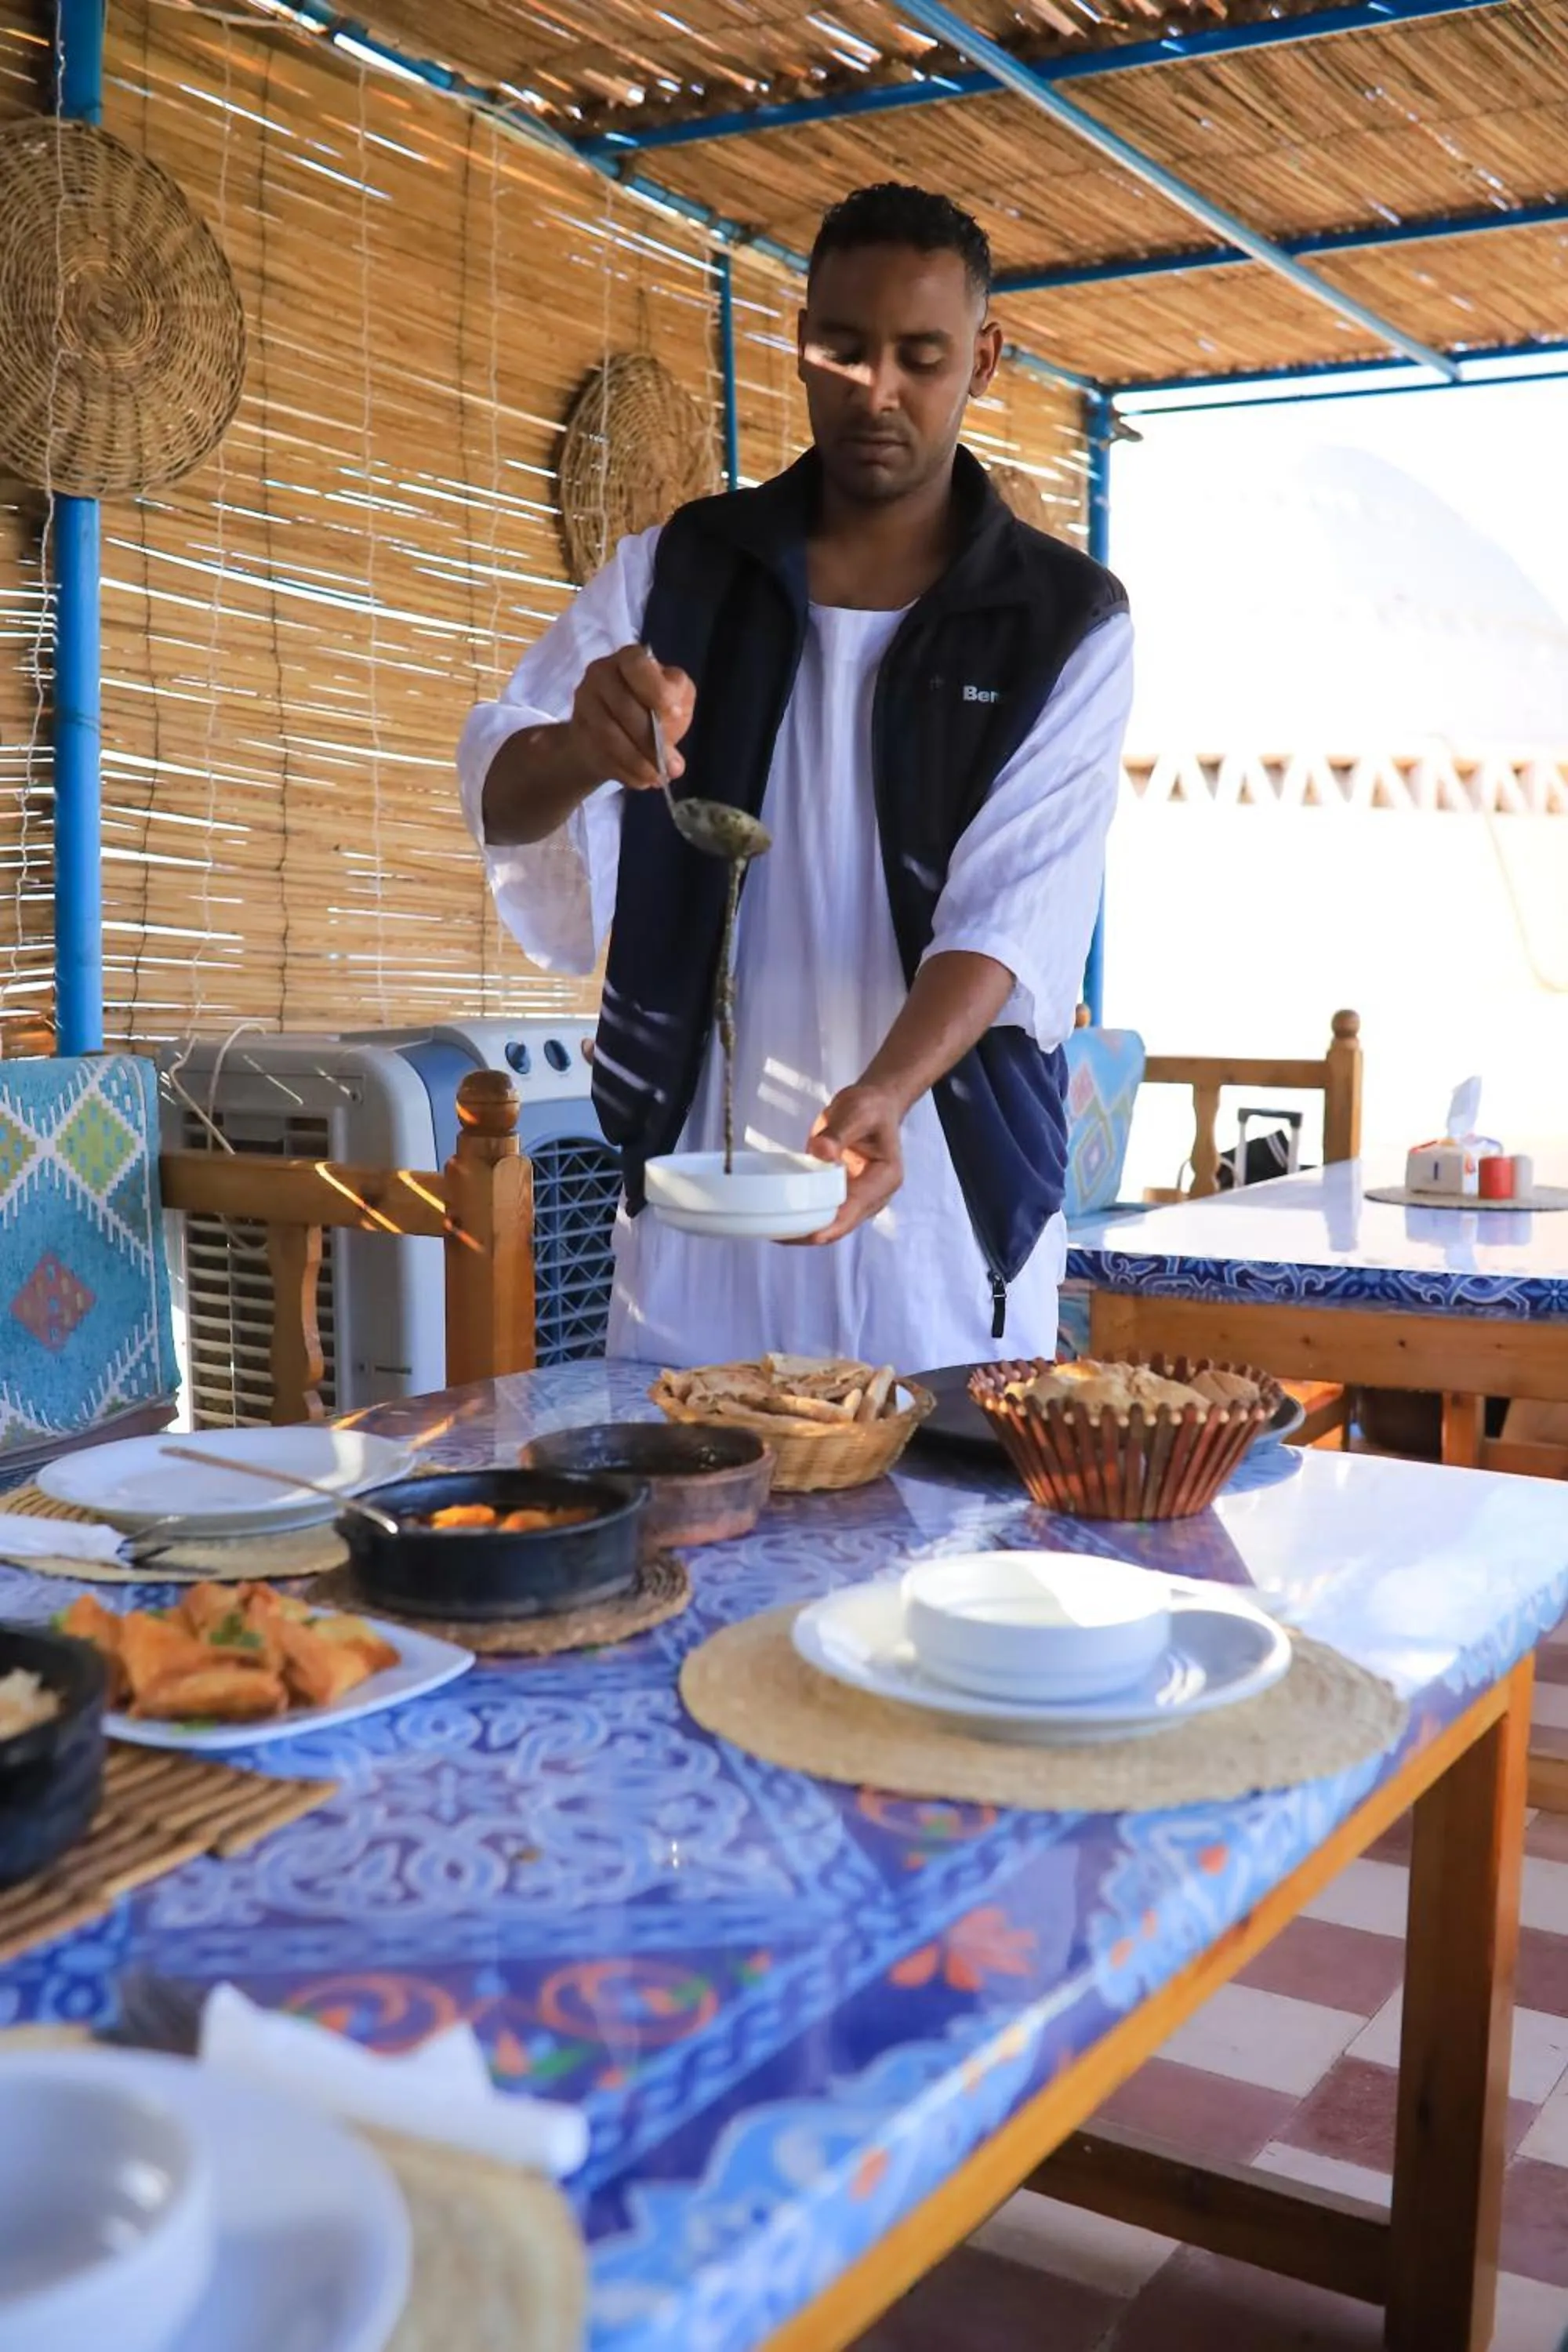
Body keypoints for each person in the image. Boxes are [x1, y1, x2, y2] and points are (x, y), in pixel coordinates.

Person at [459, 183, 1133, 1370]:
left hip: (938, 1199)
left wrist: (885, 1092)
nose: (878, 390)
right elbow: (505, 800)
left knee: (931, 1487)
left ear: (983, 360)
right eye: (846, 349)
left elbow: (1009, 918)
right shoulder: (678, 574)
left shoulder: (1061, 622)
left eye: (921, 357)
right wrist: (579, 746)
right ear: (803, 342)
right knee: (694, 1479)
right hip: (702, 1199)